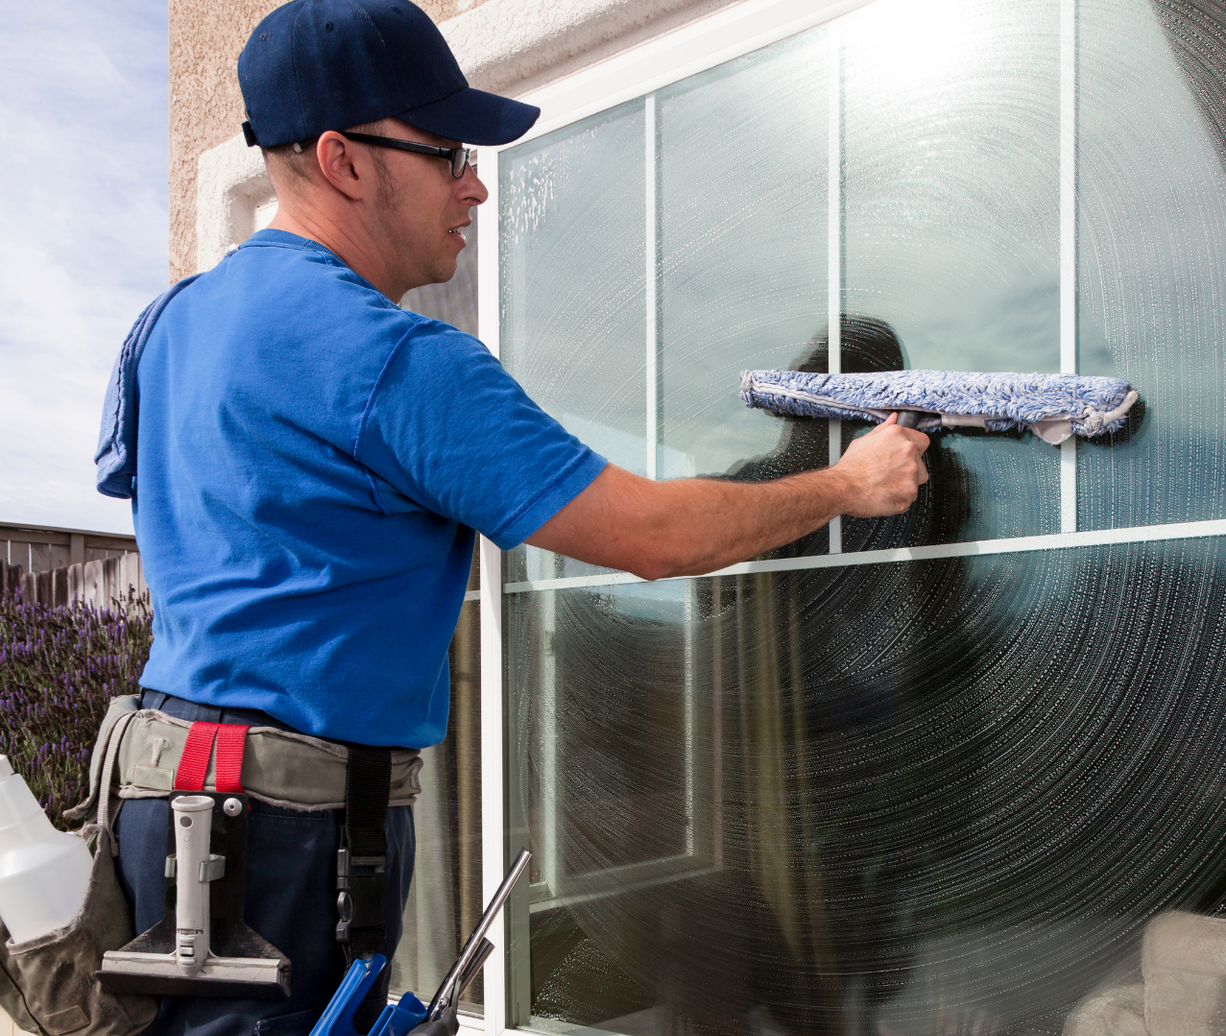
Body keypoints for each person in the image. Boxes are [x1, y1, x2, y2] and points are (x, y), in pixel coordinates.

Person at [98, 2, 930, 1035]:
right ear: (343, 161)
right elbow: (651, 537)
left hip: (159, 801)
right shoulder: (393, 361)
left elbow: (208, 517)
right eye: (447, 153)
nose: (475, 184)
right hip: (284, 833)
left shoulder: (166, 328)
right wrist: (847, 486)